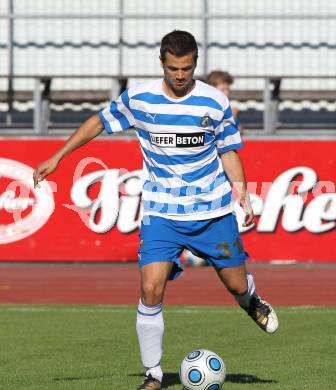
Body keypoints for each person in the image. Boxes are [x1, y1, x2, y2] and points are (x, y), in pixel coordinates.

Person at [33, 30, 278, 390]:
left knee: (236, 283)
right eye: (174, 68)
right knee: (151, 290)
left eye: (188, 68)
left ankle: (250, 300)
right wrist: (58, 156)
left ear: (196, 63)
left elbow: (228, 150)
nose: (180, 75)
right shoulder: (140, 98)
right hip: (161, 213)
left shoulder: (214, 101)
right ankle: (154, 375)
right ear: (161, 62)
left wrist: (241, 192)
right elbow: (99, 121)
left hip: (211, 212)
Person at [207, 70, 244, 135]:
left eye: (228, 90)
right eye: (223, 90)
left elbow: (240, 131)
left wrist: (232, 118)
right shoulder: (204, 107)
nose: (227, 93)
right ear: (211, 88)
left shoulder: (227, 107)